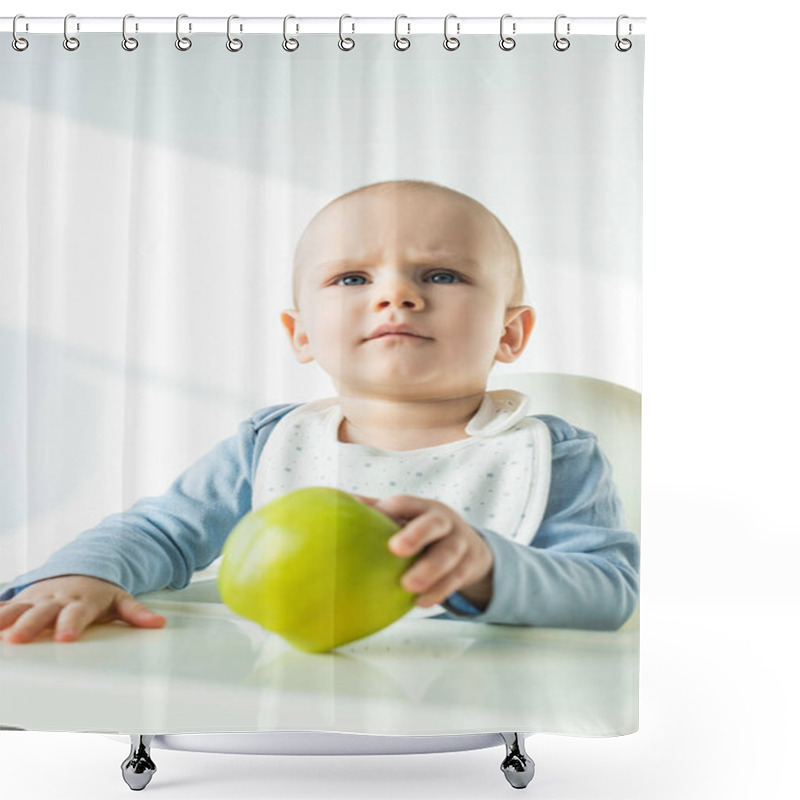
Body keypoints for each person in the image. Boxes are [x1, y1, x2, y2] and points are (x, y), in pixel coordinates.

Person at [0, 179, 639, 644]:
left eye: (441, 275)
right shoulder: (270, 444)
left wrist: (484, 566)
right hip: (279, 690)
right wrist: (77, 574)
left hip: (478, 698)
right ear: (300, 333)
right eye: (353, 279)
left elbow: (609, 592)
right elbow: (158, 533)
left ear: (511, 333)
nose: (397, 294)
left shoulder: (553, 454)